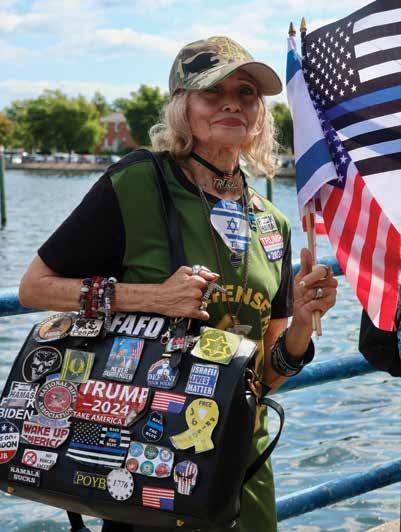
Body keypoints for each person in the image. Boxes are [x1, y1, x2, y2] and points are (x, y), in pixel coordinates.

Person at [19, 36, 337, 532]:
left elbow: (264, 379)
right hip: (148, 464)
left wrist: (300, 325)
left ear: (260, 113)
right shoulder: (139, 183)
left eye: (247, 92)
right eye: (213, 91)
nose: (232, 102)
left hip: (243, 466)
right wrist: (154, 297)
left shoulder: (270, 222)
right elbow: (34, 287)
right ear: (181, 107)